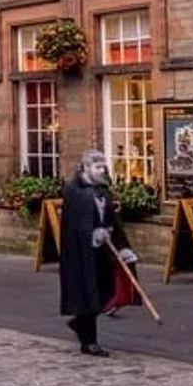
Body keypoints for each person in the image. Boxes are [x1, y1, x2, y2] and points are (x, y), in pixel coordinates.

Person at [59, 149, 138, 357]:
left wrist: (122, 246)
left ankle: (78, 323)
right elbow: (72, 224)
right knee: (87, 293)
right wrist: (92, 234)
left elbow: (112, 219)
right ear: (85, 168)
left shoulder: (103, 189)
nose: (102, 169)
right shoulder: (73, 191)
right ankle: (89, 342)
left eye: (103, 166)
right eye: (97, 166)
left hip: (103, 250)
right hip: (80, 252)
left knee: (106, 290)